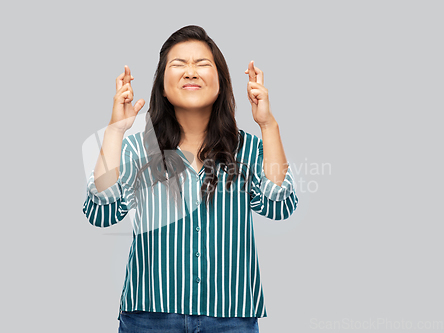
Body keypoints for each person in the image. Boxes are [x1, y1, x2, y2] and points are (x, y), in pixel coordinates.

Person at [82, 25, 299, 333]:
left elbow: (280, 205)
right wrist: (116, 131)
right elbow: (100, 212)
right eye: (179, 64)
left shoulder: (248, 148)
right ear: (162, 86)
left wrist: (268, 124)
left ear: (221, 83)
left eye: (202, 64)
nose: (190, 72)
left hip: (231, 316)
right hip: (149, 317)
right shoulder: (139, 149)